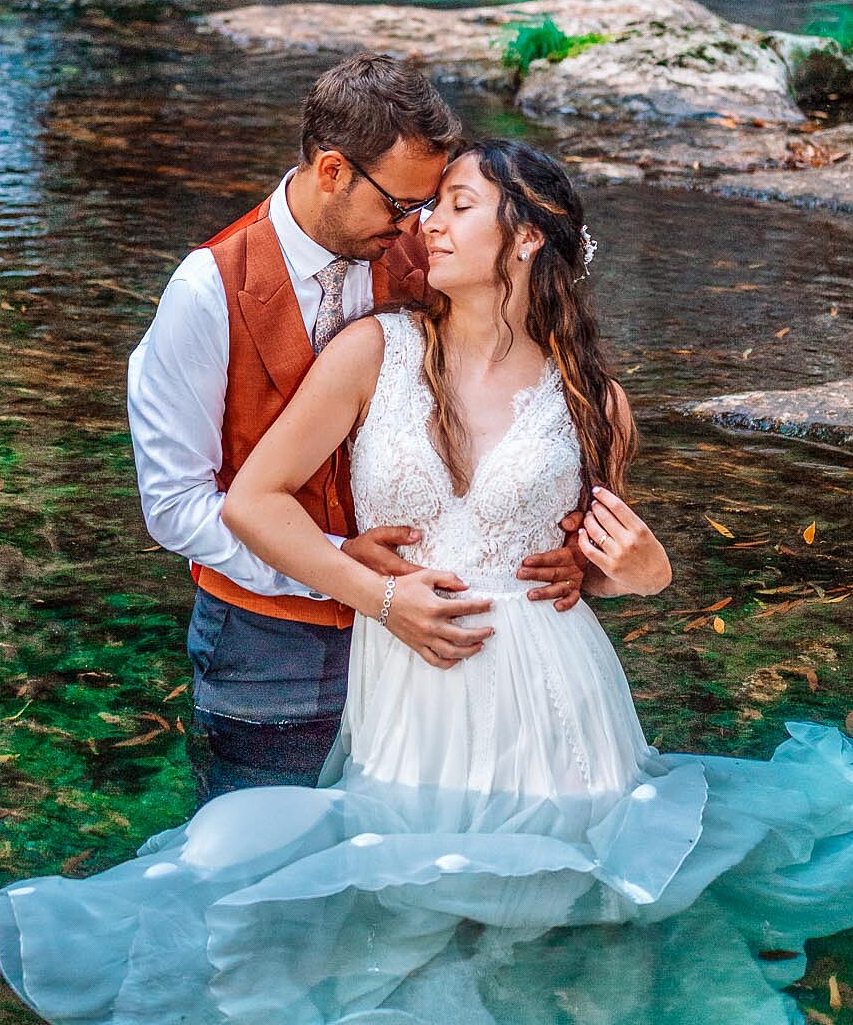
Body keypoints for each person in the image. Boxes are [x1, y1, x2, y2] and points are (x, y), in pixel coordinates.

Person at [0, 140, 853, 1025]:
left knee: (546, 913)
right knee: (399, 903)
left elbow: (597, 561)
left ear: (529, 239)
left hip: (555, 692)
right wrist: (379, 597)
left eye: (458, 202)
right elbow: (254, 501)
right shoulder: (373, 349)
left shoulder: (596, 398)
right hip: (413, 680)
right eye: (431, 202)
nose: (429, 221)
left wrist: (647, 573)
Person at [125, 56, 585, 801]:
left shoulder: (423, 257)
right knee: (259, 864)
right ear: (333, 170)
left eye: (431, 204)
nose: (420, 224)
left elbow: (519, 396)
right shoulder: (206, 293)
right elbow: (174, 508)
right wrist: (349, 571)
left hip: (431, 653)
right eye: (403, 203)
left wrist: (567, 551)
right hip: (268, 646)